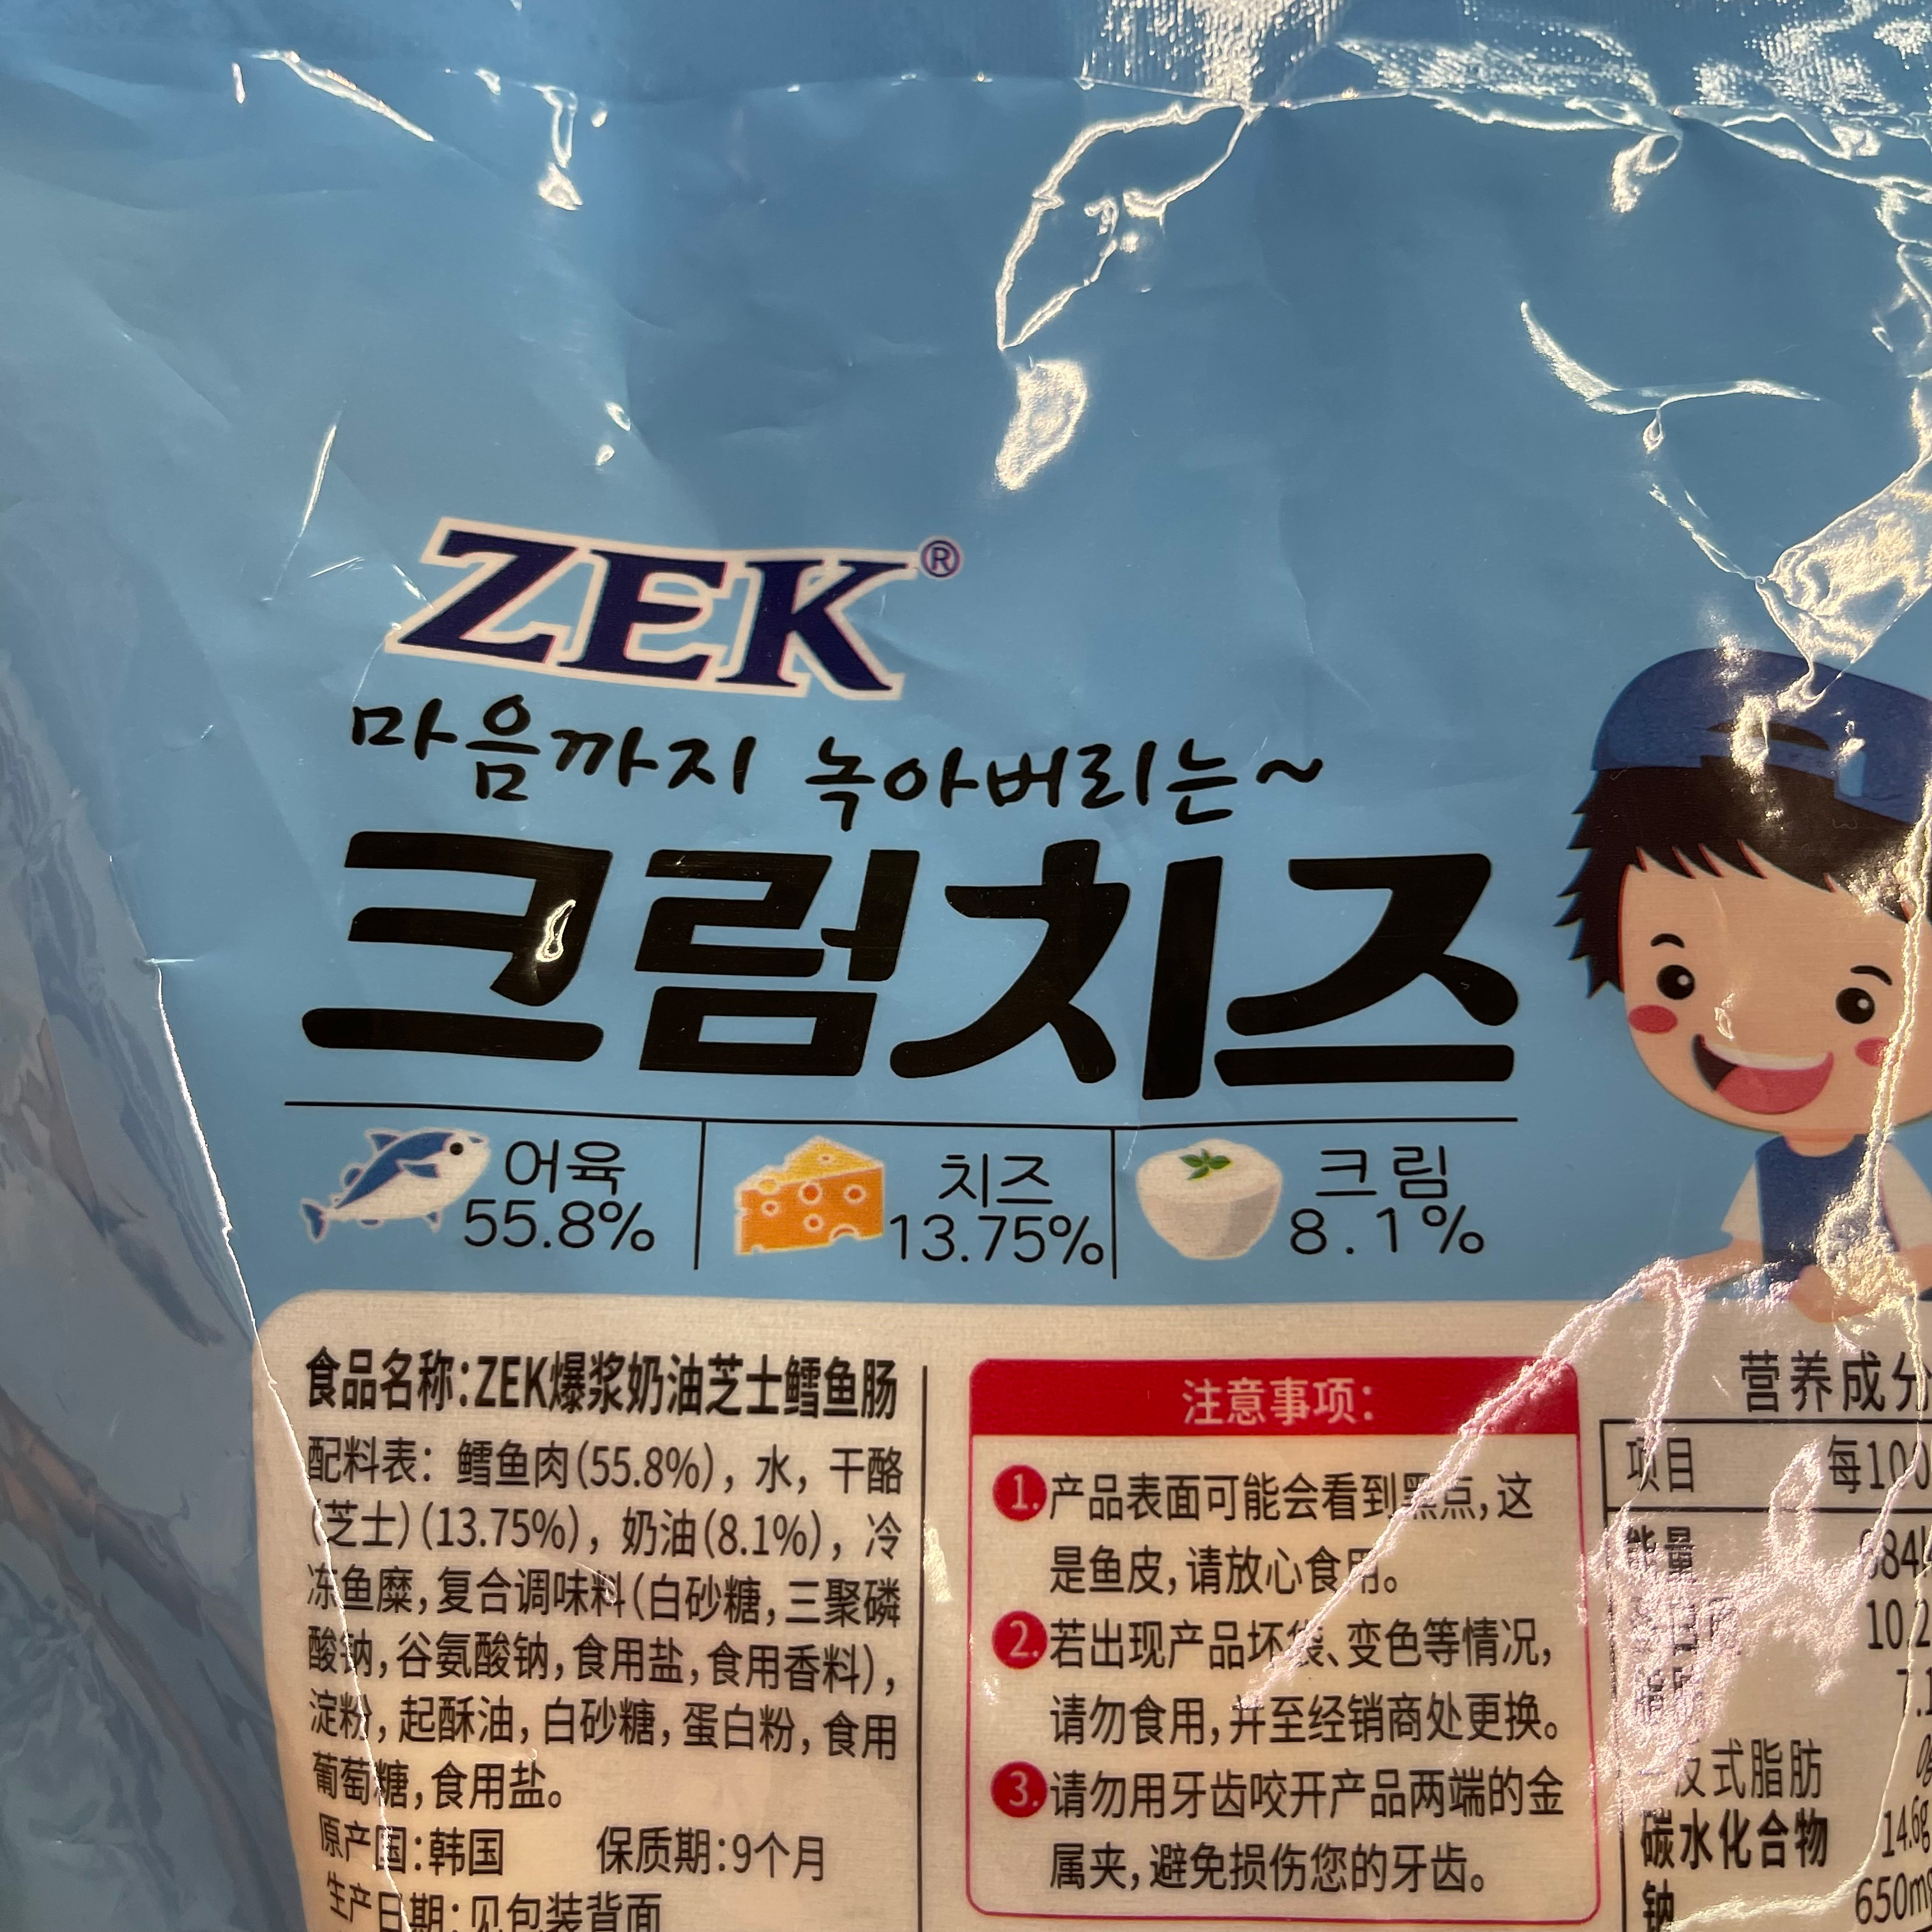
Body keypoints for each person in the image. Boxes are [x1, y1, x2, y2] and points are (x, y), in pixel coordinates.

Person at [1562, 647, 1932, 1319]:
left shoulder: (1878, 1167)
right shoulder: (1774, 1164)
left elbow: (1925, 1256)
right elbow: (1753, 1250)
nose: (1753, 1026)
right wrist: (1690, 1275)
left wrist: (1861, 1288)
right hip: (1779, 1341)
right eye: (1677, 979)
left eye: (1859, 1002)